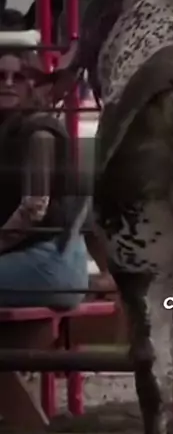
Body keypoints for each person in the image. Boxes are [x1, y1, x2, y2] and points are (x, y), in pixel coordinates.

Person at [0, 43, 89, 309]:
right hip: (35, 258)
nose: (8, 83)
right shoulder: (11, 130)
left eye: (18, 77)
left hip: (50, 264)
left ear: (32, 85)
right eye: (0, 76)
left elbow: (34, 207)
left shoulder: (40, 132)